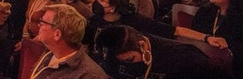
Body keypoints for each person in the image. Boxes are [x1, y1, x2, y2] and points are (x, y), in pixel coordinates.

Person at [95, 25, 226, 79]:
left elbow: (177, 30)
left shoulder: (183, 59)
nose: (129, 64)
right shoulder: (119, 48)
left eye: (131, 59)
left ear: (142, 45)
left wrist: (206, 38)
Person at [27, 4, 109, 78]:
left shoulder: (89, 74)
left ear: (57, 34)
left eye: (43, 22)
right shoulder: (50, 53)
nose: (39, 25)